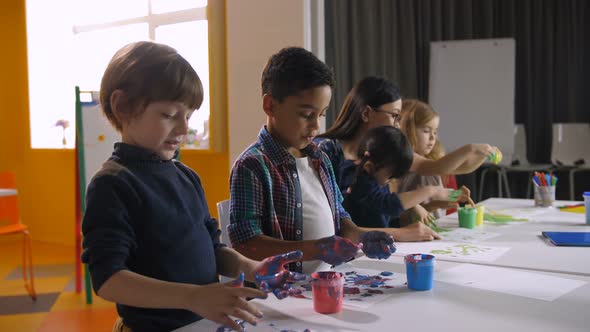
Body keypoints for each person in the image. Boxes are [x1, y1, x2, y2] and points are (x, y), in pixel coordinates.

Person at [81, 41, 303, 332]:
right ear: (122, 106)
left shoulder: (187, 177)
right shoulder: (112, 184)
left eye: (188, 116)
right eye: (169, 115)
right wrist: (192, 296)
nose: (184, 129)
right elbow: (108, 280)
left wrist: (251, 268)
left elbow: (213, 249)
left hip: (202, 325)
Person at [228, 47, 396, 275]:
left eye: (322, 114)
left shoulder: (320, 158)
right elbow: (246, 243)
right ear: (270, 106)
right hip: (283, 292)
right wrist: (314, 249)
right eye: (306, 115)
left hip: (326, 281)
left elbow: (340, 216)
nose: (316, 126)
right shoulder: (253, 165)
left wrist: (361, 236)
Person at [316, 76, 496, 185]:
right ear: (366, 113)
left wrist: (475, 152)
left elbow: (435, 167)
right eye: (394, 116)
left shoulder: (385, 150)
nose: (397, 124)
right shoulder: (327, 152)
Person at [341, 126, 457, 231]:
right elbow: (387, 205)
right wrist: (431, 191)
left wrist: (419, 208)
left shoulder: (376, 178)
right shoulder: (357, 180)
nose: (391, 182)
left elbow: (387, 219)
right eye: (390, 177)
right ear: (369, 167)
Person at [398, 99, 474, 218]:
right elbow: (406, 217)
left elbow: (434, 201)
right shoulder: (410, 165)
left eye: (435, 131)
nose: (433, 137)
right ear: (408, 130)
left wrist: (453, 196)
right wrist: (471, 149)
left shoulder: (432, 161)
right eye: (426, 131)